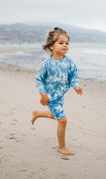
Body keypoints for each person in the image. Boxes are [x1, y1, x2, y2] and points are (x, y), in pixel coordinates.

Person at [31, 27, 83, 155]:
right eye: (61, 43)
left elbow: (73, 77)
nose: (65, 45)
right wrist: (43, 93)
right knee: (62, 120)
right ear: (52, 46)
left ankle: (37, 114)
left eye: (67, 43)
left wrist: (76, 86)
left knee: (55, 115)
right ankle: (62, 147)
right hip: (50, 97)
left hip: (60, 96)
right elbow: (38, 79)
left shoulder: (70, 62)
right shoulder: (46, 64)